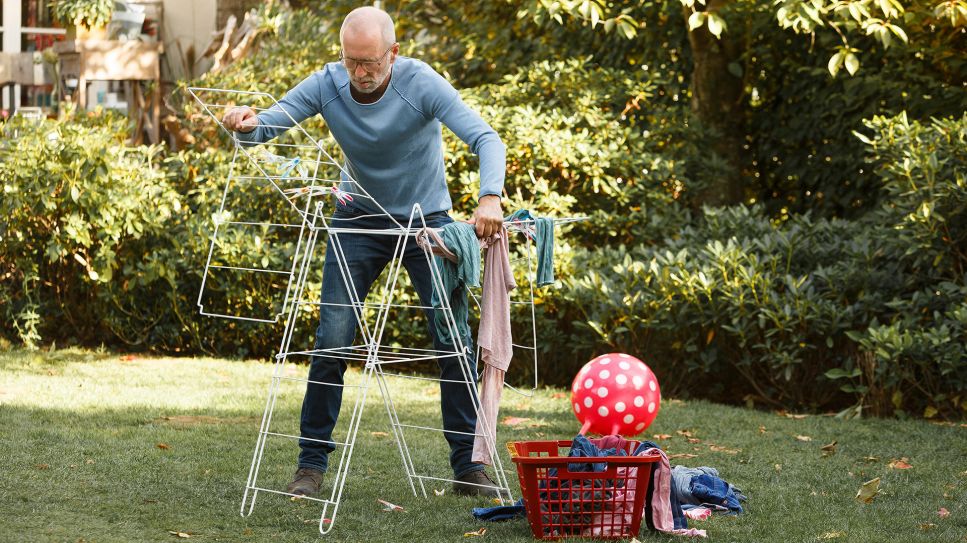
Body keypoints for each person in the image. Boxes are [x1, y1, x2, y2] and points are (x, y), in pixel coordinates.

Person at [221, 6, 505, 498]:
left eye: (371, 61)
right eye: (352, 61)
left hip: (425, 221)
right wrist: (242, 123)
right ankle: (310, 468)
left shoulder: (420, 82)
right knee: (331, 340)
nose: (361, 72)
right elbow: (266, 127)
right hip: (357, 220)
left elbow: (486, 138)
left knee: (452, 340)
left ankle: (467, 467)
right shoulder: (328, 83)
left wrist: (489, 197)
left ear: (392, 53)